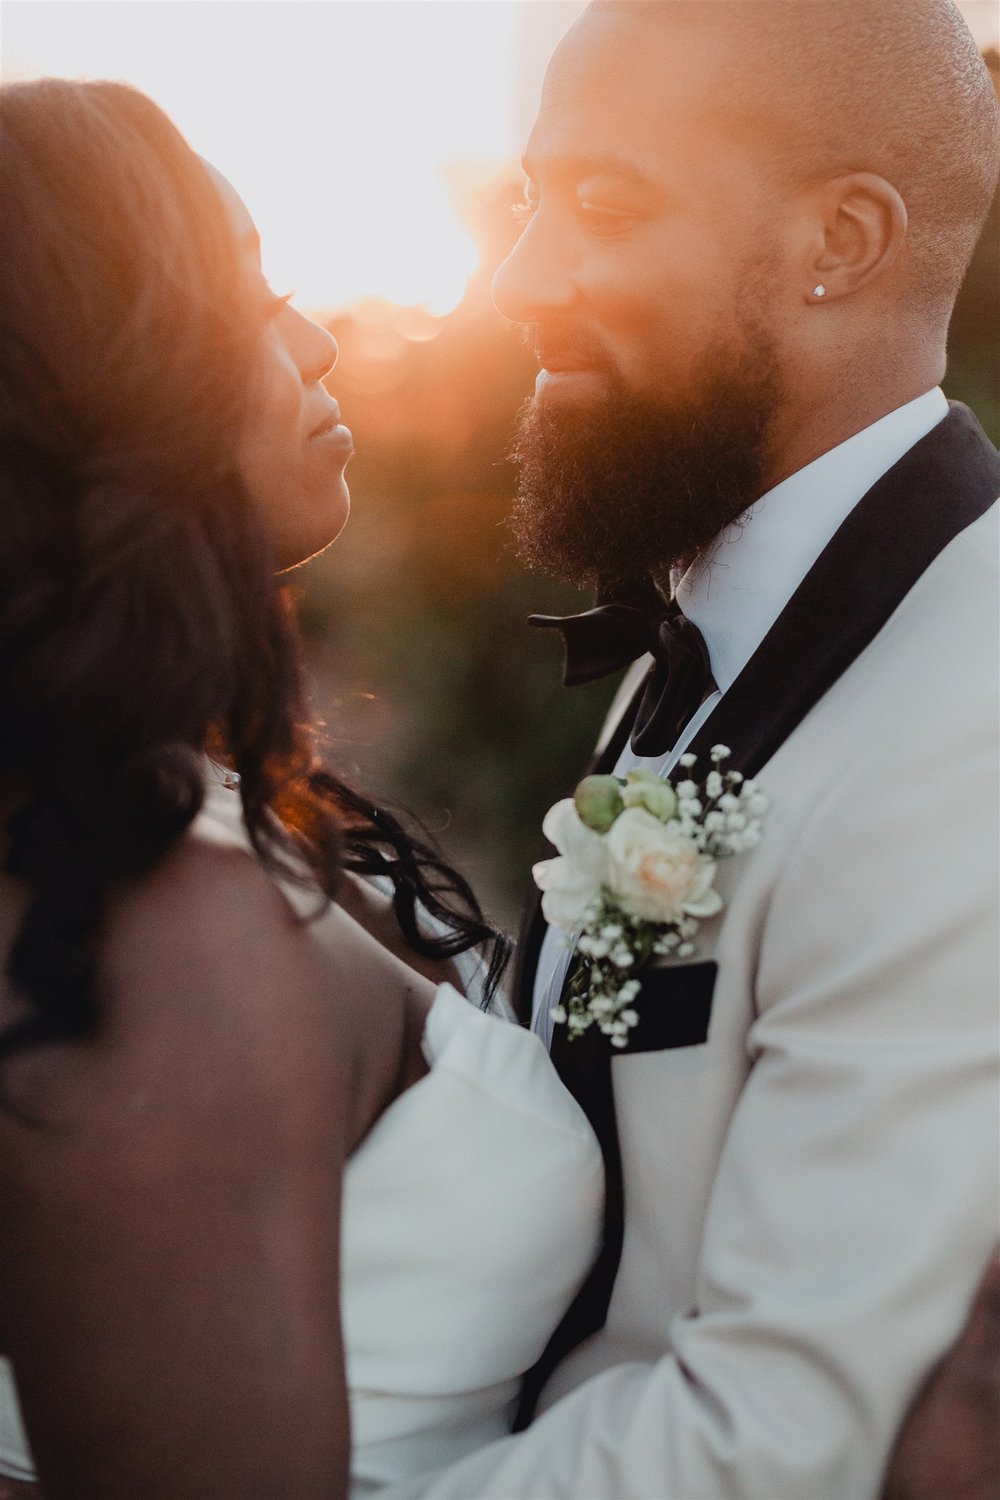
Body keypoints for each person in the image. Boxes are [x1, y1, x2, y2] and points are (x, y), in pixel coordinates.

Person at [378, 2, 1000, 1497]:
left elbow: (787, 1438)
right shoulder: (728, 628)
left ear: (839, 240)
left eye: (602, 205)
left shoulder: (970, 716)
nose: (518, 283)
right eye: (531, 205)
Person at [0, 78, 604, 1499]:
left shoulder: (166, 812)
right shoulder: (160, 945)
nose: (320, 338)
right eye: (252, 298)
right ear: (108, 381)